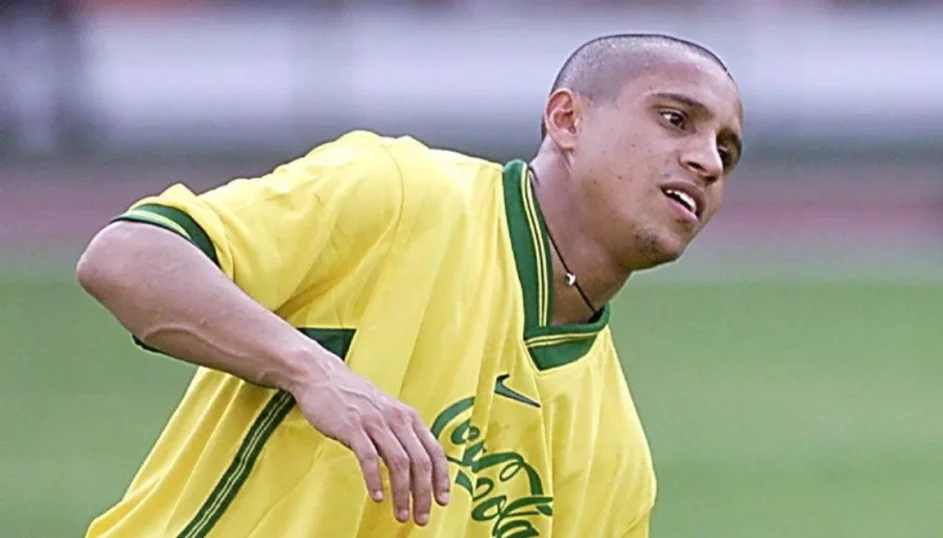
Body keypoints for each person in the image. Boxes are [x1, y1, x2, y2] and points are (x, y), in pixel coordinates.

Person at [76, 32, 744, 538]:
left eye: (727, 151)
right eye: (676, 119)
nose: (707, 160)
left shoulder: (618, 466)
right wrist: (314, 373)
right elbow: (129, 257)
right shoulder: (400, 192)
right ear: (567, 120)